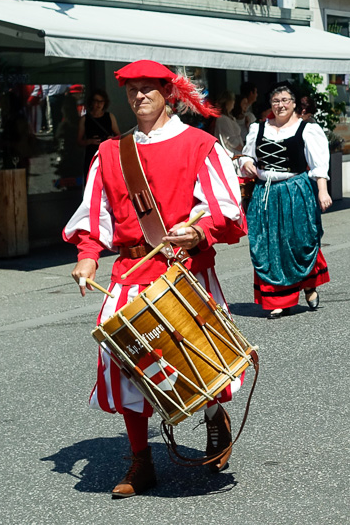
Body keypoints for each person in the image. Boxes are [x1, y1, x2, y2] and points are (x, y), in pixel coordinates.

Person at [64, 60, 246, 498]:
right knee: (129, 367)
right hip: (129, 273)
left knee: (201, 360)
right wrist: (88, 255)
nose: (139, 97)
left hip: (184, 271)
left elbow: (227, 211)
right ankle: (140, 460)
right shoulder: (110, 152)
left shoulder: (200, 145)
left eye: (148, 89)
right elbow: (96, 214)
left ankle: (213, 416)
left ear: (169, 93)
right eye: (132, 91)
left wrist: (199, 232)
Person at [239, 83, 332, 318]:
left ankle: (309, 283)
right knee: (269, 243)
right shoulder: (257, 128)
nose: (280, 105)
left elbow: (319, 163)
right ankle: (277, 298)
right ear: (271, 104)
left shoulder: (306, 129)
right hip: (265, 192)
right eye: (276, 101)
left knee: (300, 240)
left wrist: (322, 191)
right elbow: (247, 155)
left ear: (293, 104)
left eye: (285, 101)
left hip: (295, 189)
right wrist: (247, 163)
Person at [77, 90, 120, 174]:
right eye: (96, 101)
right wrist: (90, 141)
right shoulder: (85, 119)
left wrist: (112, 139)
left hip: (107, 154)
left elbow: (118, 135)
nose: (99, 104)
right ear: (92, 102)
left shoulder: (109, 117)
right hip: (91, 155)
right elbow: (79, 141)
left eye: (101, 101)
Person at [209, 91, 245, 157]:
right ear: (227, 102)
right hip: (232, 155)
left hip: (236, 154)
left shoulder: (229, 118)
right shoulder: (223, 119)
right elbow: (230, 140)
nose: (234, 102)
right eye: (232, 100)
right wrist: (244, 149)